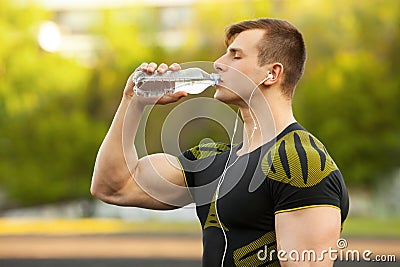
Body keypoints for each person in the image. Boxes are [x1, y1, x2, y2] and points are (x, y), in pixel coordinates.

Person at [91, 18, 349, 267]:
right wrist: (134, 102)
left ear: (272, 73)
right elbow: (113, 187)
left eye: (235, 56)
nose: (218, 63)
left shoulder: (300, 162)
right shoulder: (213, 161)